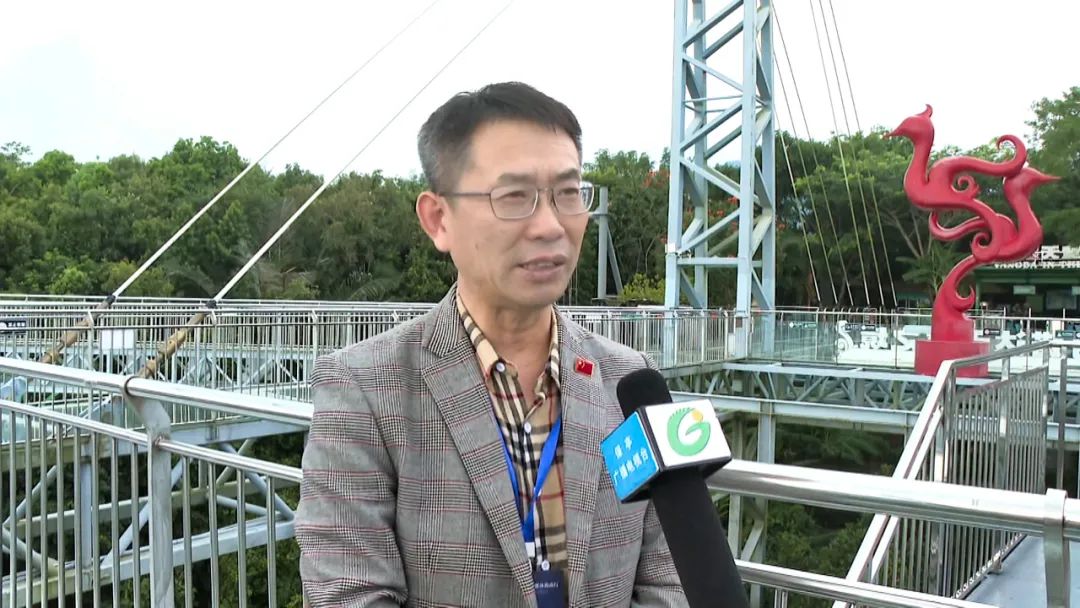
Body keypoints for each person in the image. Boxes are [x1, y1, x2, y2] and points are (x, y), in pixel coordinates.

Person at [296, 81, 687, 608]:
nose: (550, 225)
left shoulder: (630, 381)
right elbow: (349, 595)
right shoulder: (364, 389)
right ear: (439, 219)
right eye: (514, 197)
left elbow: (672, 581)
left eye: (568, 193)